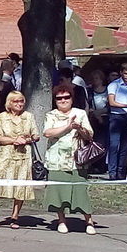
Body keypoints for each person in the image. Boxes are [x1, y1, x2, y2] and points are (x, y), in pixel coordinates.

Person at [43, 84, 95, 234]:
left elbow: (89, 135)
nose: (63, 100)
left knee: (80, 190)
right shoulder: (50, 115)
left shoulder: (80, 113)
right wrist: (67, 127)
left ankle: (89, 222)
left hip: (76, 160)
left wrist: (79, 128)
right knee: (58, 191)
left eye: (66, 97)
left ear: (72, 98)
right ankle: (61, 221)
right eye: (59, 98)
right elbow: (48, 133)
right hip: (56, 160)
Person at [0, 91, 39, 229]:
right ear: (9, 103)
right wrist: (13, 140)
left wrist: (27, 139)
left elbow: (36, 135)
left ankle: (15, 216)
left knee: (21, 185)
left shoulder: (29, 116)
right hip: (5, 154)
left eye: (21, 101)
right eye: (16, 101)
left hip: (24, 155)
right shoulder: (2, 117)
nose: (19, 104)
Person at [107, 62, 127, 180]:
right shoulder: (114, 85)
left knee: (125, 146)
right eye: (126, 73)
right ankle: (112, 171)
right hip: (116, 116)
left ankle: (120, 171)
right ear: (121, 73)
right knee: (114, 145)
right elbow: (112, 102)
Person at [87, 69, 109, 174]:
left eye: (97, 78)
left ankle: (103, 165)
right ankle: (95, 165)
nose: (95, 80)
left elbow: (109, 105)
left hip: (106, 117)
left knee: (104, 142)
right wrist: (95, 114)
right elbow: (89, 104)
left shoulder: (107, 90)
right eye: (93, 78)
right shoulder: (90, 92)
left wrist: (101, 113)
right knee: (95, 142)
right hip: (94, 118)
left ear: (101, 79)